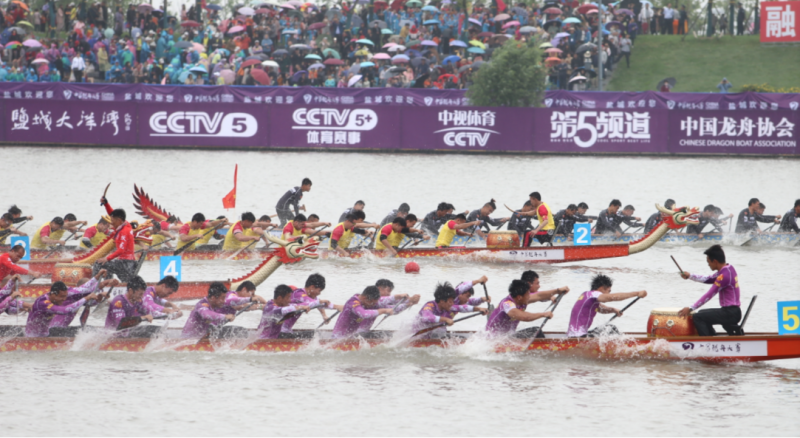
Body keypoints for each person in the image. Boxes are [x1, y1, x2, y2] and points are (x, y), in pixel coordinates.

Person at [678, 245, 742, 336]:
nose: (708, 264)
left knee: (698, 317)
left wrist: (691, 308)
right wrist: (690, 276)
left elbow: (709, 294)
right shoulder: (729, 268)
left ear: (715, 261)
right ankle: (712, 337)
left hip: (730, 313)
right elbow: (709, 279)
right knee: (701, 313)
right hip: (733, 311)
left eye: (708, 262)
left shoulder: (723, 276)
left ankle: (707, 341)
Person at [566, 274, 647, 338]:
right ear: (602, 288)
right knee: (611, 329)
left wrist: (613, 310)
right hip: (578, 336)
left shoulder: (586, 295)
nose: (609, 293)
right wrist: (637, 293)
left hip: (575, 334)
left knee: (605, 329)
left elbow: (600, 308)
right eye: (609, 291)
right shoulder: (594, 294)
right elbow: (611, 297)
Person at [485, 278, 562, 338]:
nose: (529, 296)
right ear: (519, 297)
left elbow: (539, 295)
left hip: (508, 337)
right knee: (536, 331)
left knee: (536, 331)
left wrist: (558, 291)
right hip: (495, 339)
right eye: (528, 295)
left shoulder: (519, 299)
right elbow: (524, 317)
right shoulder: (507, 304)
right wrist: (543, 314)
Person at [48, 270, 117, 337]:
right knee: (88, 330)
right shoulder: (69, 294)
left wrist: (100, 295)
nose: (89, 293)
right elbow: (89, 288)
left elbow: (93, 303)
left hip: (61, 330)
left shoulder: (79, 298)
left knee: (89, 329)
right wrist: (107, 281)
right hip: (53, 330)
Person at [412, 282, 488, 339]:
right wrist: (446, 319)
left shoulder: (447, 306)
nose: (452, 303)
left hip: (434, 335)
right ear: (442, 301)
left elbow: (461, 308)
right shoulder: (429, 306)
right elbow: (426, 318)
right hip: (417, 337)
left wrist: (480, 309)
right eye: (450, 301)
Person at [26, 281, 101, 337]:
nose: (64, 299)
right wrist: (86, 298)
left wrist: (97, 277)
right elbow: (65, 310)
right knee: (82, 331)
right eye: (62, 297)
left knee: (89, 329)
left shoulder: (58, 296)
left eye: (65, 296)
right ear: (53, 294)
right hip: (34, 336)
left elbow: (82, 290)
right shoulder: (43, 303)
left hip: (47, 334)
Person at [93, 198, 136, 282]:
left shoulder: (124, 231)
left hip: (126, 264)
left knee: (99, 263)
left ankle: (93, 285)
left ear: (119, 220)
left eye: (112, 221)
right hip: (126, 263)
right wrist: (106, 204)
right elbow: (112, 214)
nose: (111, 223)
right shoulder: (125, 224)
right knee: (107, 265)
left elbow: (121, 250)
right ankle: (108, 283)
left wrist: (107, 258)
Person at [330, 285, 395, 339]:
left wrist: (399, 298)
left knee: (387, 334)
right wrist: (383, 311)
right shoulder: (353, 302)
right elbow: (364, 314)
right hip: (339, 338)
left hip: (351, 337)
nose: (373, 305)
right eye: (372, 303)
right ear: (364, 298)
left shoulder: (364, 303)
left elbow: (393, 307)